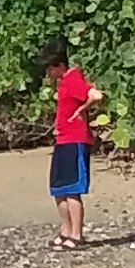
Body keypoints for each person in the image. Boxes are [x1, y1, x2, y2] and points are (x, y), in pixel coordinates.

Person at [40, 42, 105, 250]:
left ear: (60, 65)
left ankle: (76, 234)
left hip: (75, 140)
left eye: (50, 68)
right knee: (58, 188)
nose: (48, 73)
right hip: (63, 139)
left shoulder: (73, 79)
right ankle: (66, 230)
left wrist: (82, 110)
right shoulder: (64, 83)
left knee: (73, 189)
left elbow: (96, 95)